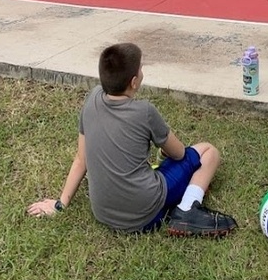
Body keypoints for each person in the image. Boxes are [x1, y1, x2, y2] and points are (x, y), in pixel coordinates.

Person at [26, 42, 237, 237]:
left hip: (103, 213)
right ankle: (187, 210)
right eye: (141, 68)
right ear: (134, 82)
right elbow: (179, 153)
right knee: (208, 152)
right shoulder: (144, 111)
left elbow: (81, 160)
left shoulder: (92, 99)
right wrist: (166, 152)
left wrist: (60, 204)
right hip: (146, 215)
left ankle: (178, 201)